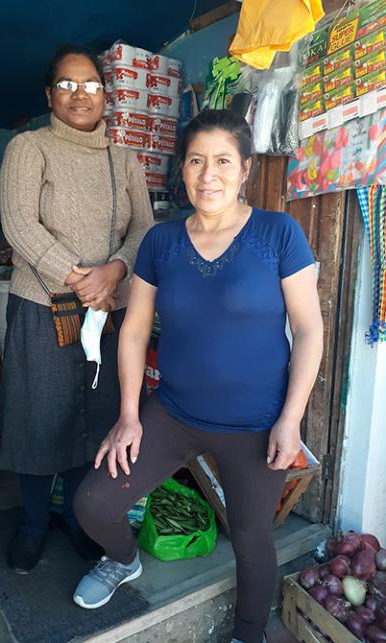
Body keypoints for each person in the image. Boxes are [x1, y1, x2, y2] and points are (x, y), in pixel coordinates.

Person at [72, 109, 323, 643]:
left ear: (245, 169)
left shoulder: (278, 233)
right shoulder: (160, 243)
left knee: (254, 539)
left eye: (223, 161)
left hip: (256, 422)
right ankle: (122, 562)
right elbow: (135, 332)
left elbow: (308, 331)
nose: (209, 175)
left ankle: (248, 633)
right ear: (182, 171)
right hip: (176, 413)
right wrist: (129, 416)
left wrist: (291, 419)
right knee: (93, 503)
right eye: (196, 162)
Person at [0, 44, 153, 574]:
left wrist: (115, 271)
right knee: (39, 421)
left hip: (109, 313)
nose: (80, 94)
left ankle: (76, 520)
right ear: (49, 95)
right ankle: (33, 524)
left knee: (93, 423)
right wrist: (79, 278)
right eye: (67, 84)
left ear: (105, 94)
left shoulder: (125, 158)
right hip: (43, 309)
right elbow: (19, 224)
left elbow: (144, 230)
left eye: (90, 84)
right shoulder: (28, 147)